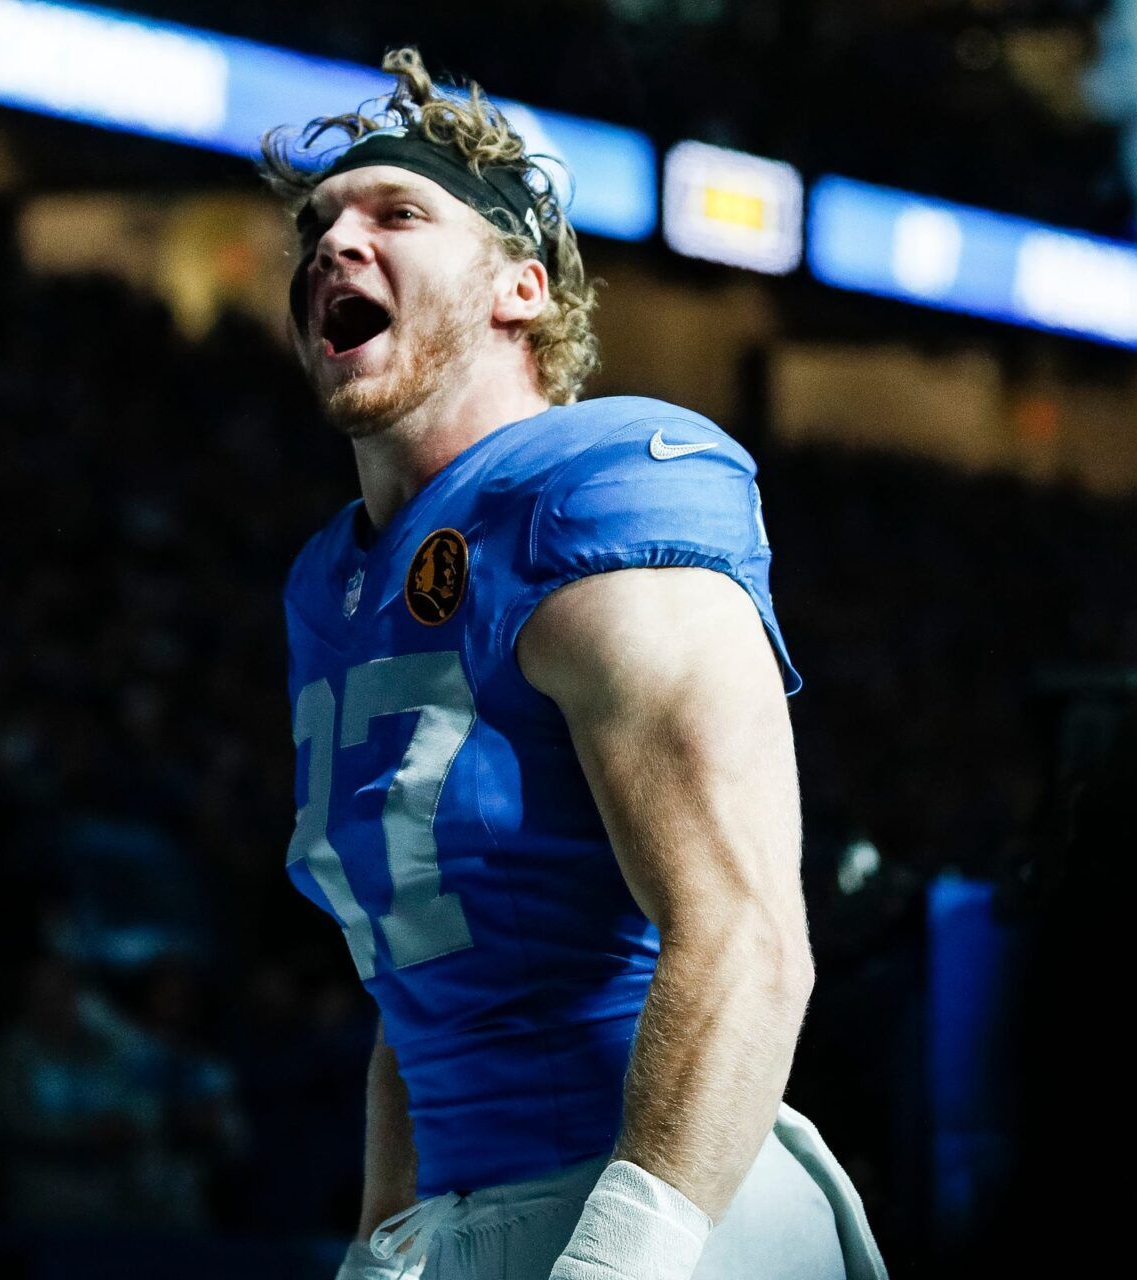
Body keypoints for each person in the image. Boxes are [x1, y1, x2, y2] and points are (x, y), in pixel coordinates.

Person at [260, 48, 886, 1280]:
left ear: (522, 289)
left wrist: (628, 1251)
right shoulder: (331, 579)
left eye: (397, 214)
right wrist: (384, 1237)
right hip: (470, 1219)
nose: (336, 244)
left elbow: (747, 932)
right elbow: (421, 979)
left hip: (678, 1201)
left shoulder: (598, 486)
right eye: (321, 224)